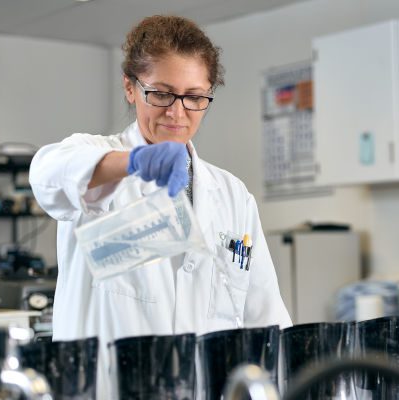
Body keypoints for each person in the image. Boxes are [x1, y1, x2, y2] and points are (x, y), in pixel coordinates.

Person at [30, 15, 292, 346]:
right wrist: (134, 163)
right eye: (162, 94)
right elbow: (47, 174)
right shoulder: (96, 157)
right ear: (130, 87)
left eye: (194, 97)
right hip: (107, 392)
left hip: (204, 395)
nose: (177, 112)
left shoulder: (232, 195)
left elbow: (266, 316)